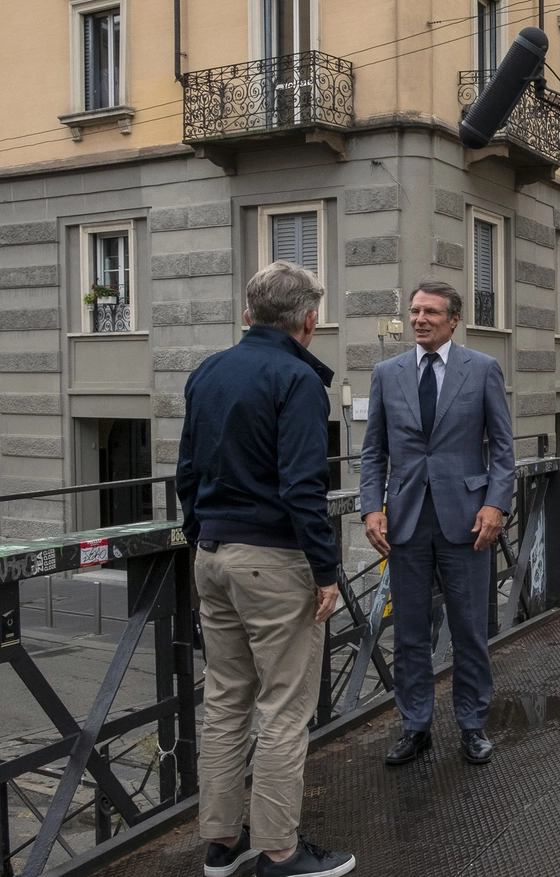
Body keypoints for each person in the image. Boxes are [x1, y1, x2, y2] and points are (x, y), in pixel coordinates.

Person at [176, 261, 356, 877]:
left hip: (213, 555)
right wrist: (326, 571)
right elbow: (304, 488)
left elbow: (187, 474)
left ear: (248, 314)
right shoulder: (297, 380)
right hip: (275, 562)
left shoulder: (207, 372)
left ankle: (221, 843)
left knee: (225, 701)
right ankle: (280, 851)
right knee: (284, 707)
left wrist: (201, 537)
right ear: (309, 321)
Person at [360, 280, 515, 766]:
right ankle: (415, 726)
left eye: (430, 312)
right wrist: (370, 508)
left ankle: (472, 725)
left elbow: (503, 449)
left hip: (467, 523)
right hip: (405, 521)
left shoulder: (483, 369)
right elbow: (372, 452)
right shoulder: (387, 373)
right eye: (414, 311)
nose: (419, 319)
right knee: (408, 632)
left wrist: (496, 504)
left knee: (469, 629)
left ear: (454, 320)